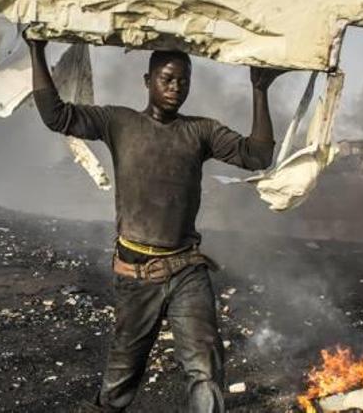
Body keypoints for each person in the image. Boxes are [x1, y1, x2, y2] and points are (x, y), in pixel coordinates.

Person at [25, 35, 286, 412]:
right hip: (136, 274)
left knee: (205, 369)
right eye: (167, 78)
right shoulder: (119, 122)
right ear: (147, 81)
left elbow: (257, 154)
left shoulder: (201, 131)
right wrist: (37, 50)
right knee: (121, 377)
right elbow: (57, 115)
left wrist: (258, 90)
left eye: (183, 80)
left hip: (186, 270)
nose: (176, 87)